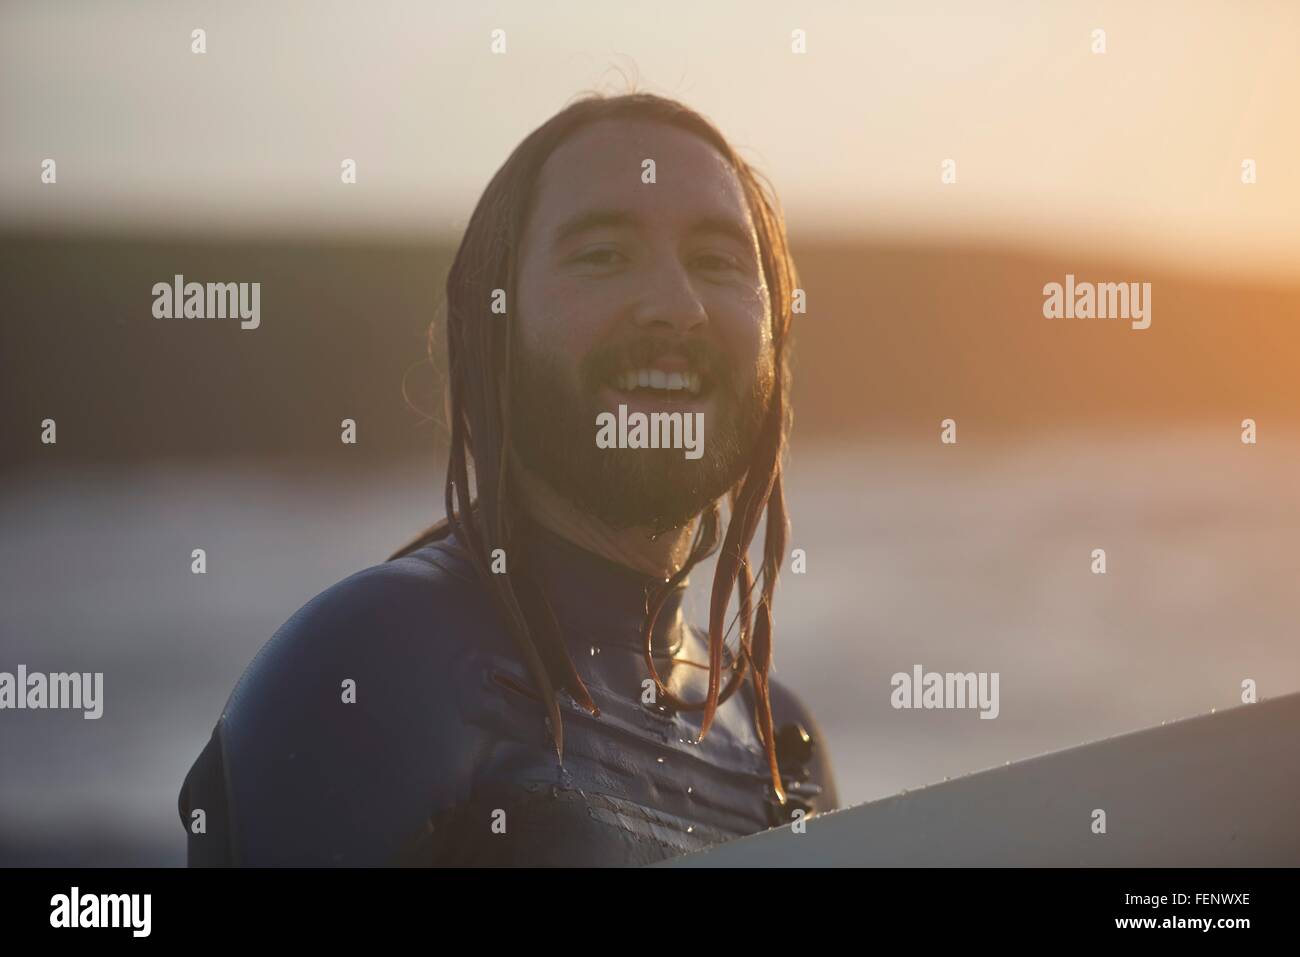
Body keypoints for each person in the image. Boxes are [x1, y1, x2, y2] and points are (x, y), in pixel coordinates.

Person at [177, 91, 838, 866]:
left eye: (719, 262)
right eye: (603, 255)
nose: (676, 306)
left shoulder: (777, 752)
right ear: (495, 322)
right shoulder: (376, 669)